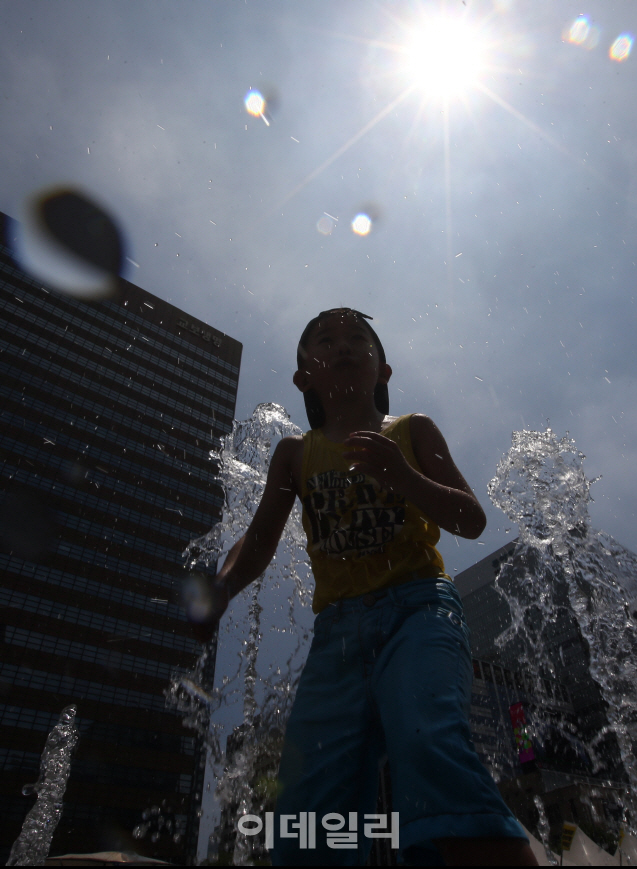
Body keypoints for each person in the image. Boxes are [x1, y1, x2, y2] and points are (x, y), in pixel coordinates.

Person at [192, 308, 537, 866]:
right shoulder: (295, 454)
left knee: (428, 738)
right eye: (325, 340)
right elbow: (257, 541)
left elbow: (470, 518)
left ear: (384, 369)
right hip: (338, 635)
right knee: (308, 794)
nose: (344, 345)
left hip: (420, 610)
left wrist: (402, 475)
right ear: (305, 375)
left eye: (358, 338)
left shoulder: (412, 430)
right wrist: (223, 585)